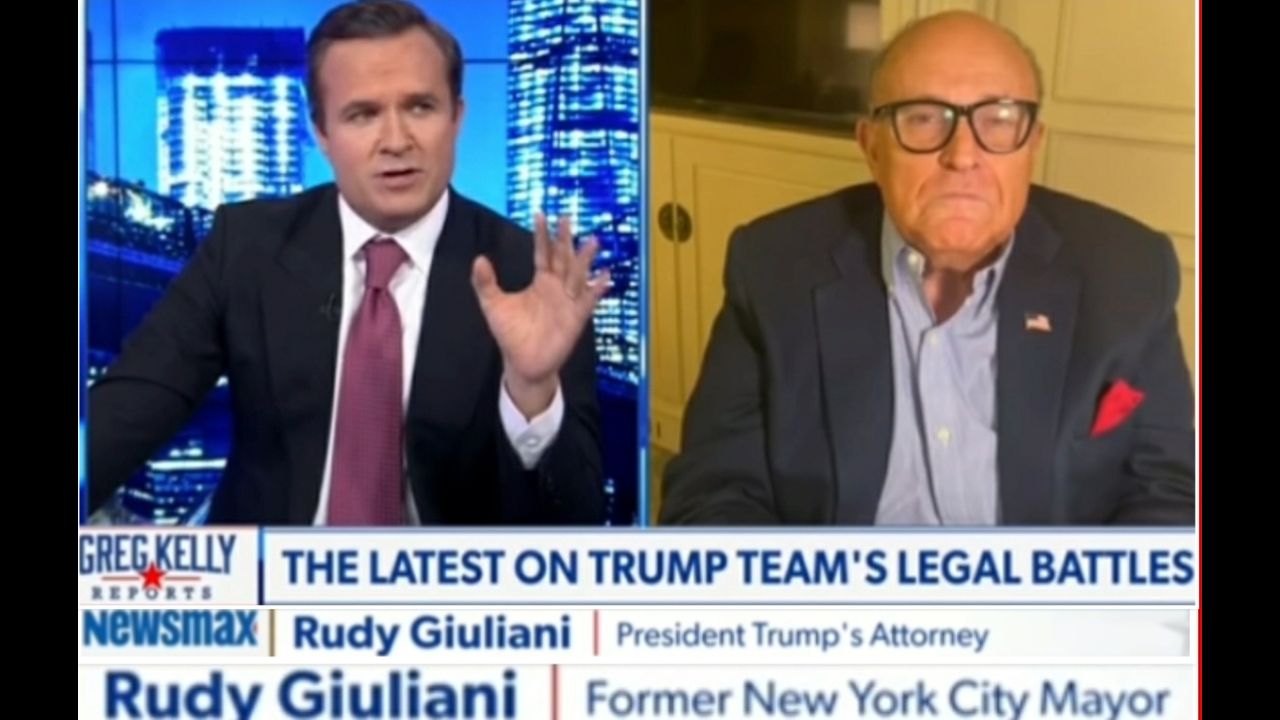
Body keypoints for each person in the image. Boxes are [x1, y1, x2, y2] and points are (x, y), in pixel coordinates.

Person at [659, 11, 1194, 526]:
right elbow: (714, 495)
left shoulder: (1129, 272)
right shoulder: (772, 267)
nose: (962, 156)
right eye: (922, 118)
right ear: (872, 147)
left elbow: (1168, 493)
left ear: (1033, 144)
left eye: (999, 120)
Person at [88, 0, 610, 525]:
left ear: (457, 117)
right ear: (321, 133)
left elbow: (580, 521)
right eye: (363, 114)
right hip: (268, 571)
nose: (396, 141)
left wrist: (533, 394)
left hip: (448, 577)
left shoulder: (530, 274)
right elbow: (128, 410)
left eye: (420, 108)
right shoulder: (246, 247)